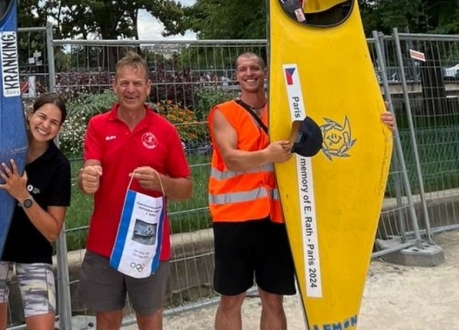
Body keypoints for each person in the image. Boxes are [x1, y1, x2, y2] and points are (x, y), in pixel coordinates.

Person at [207, 52, 397, 330]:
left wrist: (378, 122)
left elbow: (338, 117)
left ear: (265, 72)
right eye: (243, 69)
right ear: (236, 76)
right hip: (233, 220)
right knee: (231, 300)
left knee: (273, 299)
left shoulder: (285, 112)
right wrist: (268, 154)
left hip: (277, 219)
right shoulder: (223, 113)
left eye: (255, 68)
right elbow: (232, 159)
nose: (249, 73)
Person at [77, 51, 193, 330]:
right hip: (105, 243)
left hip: (148, 246)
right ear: (114, 86)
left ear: (148, 87)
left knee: (150, 318)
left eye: (137, 83)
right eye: (124, 83)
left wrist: (162, 183)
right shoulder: (97, 126)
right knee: (106, 318)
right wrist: (86, 179)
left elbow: (187, 188)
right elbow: (89, 172)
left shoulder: (165, 131)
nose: (130, 89)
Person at [0, 93, 72, 330]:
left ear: (59, 128)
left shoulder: (59, 165)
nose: (45, 125)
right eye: (41, 116)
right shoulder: (7, 147)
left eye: (53, 122)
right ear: (30, 115)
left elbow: (53, 231)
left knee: (43, 326)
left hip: (34, 253)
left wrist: (23, 195)